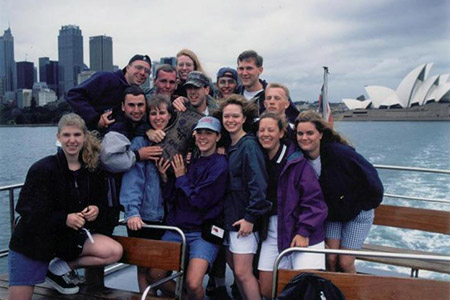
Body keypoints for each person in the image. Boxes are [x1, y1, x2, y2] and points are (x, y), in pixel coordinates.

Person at [8, 113, 123, 300]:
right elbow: (26, 210)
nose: (72, 140)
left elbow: (100, 201)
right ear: (58, 137)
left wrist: (96, 209)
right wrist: (64, 219)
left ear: (84, 137)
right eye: (67, 135)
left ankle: (57, 270)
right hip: (32, 244)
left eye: (77, 135)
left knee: (113, 250)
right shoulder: (42, 169)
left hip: (63, 242)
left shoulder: (90, 171)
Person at [295, 110, 383, 273]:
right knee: (330, 258)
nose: (304, 138)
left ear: (320, 134)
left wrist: (362, 204)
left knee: (345, 262)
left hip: (357, 214)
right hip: (334, 215)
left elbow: (373, 181)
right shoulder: (301, 159)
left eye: (310, 133)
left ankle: (351, 294)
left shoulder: (339, 153)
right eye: (300, 133)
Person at [155, 116, 228, 300]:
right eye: (200, 132)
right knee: (155, 277)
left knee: (193, 284)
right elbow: (173, 197)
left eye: (209, 133)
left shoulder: (220, 164)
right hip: (176, 229)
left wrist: (180, 178)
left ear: (218, 137)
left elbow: (200, 201)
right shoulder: (189, 160)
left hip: (202, 232)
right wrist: (166, 178)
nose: (203, 137)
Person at [256, 112, 328, 298]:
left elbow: (315, 203)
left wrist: (304, 231)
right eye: (261, 130)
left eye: (271, 130)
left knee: (305, 289)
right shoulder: (259, 159)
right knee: (266, 288)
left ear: (281, 133)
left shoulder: (297, 163)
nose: (265, 134)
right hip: (273, 232)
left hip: (303, 233)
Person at [216, 95, 271, 300]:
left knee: (242, 272)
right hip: (229, 219)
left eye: (235, 116)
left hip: (243, 220)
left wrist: (250, 218)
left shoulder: (249, 145)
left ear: (243, 118)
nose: (230, 120)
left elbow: (259, 185)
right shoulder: (229, 146)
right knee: (235, 268)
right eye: (226, 116)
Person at [119, 94, 172, 294]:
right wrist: (132, 212)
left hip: (168, 215)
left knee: (162, 268)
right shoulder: (140, 143)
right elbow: (133, 181)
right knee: (143, 265)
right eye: (153, 113)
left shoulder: (177, 141)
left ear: (170, 115)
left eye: (162, 113)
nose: (158, 117)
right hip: (145, 215)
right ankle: (146, 297)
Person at [66, 54, 151, 132]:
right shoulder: (107, 78)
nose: (143, 73)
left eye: (147, 71)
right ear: (128, 68)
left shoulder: (138, 95)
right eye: (138, 68)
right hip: (85, 136)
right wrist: (96, 119)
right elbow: (74, 95)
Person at [235, 50, 299, 123]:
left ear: (260, 70)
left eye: (249, 68)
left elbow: (295, 121)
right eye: (241, 69)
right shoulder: (235, 95)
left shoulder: (274, 94)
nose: (244, 73)